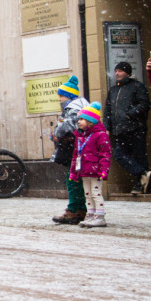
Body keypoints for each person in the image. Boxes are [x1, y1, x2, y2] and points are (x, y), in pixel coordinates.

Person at [103, 61, 150, 195]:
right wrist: (107, 126)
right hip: (119, 130)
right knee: (119, 155)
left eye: (120, 71)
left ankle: (140, 185)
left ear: (127, 73)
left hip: (136, 128)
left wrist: (130, 114)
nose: (117, 73)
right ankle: (143, 174)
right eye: (116, 71)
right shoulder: (113, 90)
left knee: (140, 156)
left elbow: (144, 104)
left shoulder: (137, 86)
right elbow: (108, 110)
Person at [51, 76, 90, 225]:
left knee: (73, 179)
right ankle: (79, 209)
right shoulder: (79, 107)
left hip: (73, 149)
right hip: (76, 148)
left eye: (61, 95)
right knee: (76, 179)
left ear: (69, 96)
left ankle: (75, 210)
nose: (59, 99)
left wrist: (56, 133)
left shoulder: (73, 108)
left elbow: (65, 127)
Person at [70, 103, 111, 227]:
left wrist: (103, 169)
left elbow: (105, 154)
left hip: (95, 170)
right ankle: (90, 214)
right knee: (87, 193)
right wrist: (73, 171)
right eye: (79, 119)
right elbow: (76, 155)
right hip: (84, 170)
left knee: (96, 193)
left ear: (90, 121)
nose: (79, 122)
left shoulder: (100, 135)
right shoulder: (80, 137)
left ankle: (100, 216)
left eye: (82, 119)